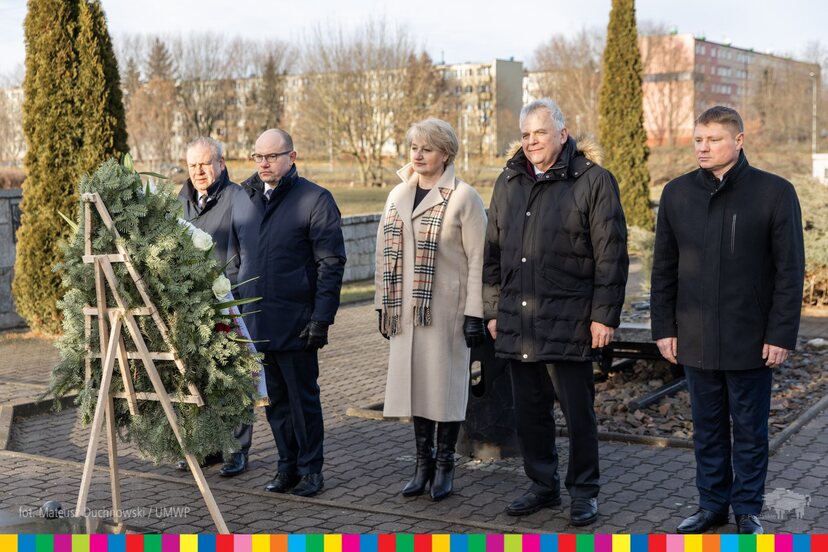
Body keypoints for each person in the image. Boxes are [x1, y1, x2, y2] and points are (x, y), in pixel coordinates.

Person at [651, 106, 805, 535]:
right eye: (698, 139)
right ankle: (711, 505)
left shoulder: (774, 193)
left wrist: (780, 333)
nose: (703, 146)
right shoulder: (677, 194)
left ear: (738, 141)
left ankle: (747, 509)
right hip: (695, 337)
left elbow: (790, 270)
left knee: (751, 431)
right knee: (707, 429)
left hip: (751, 338)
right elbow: (663, 267)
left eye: (713, 139)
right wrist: (664, 327)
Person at [482, 98, 628, 526]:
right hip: (517, 320)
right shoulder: (508, 181)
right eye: (525, 135)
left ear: (562, 134)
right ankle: (542, 486)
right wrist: (493, 309)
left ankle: (584, 492)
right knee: (529, 412)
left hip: (571, 322)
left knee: (578, 413)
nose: (531, 142)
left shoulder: (594, 181)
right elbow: (492, 253)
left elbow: (611, 256)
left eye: (539, 133)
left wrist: (604, 315)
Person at [374, 118, 487, 501]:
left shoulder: (463, 197)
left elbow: (478, 260)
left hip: (446, 313)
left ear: (446, 154)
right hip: (405, 313)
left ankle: (444, 466)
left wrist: (475, 313)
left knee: (445, 390)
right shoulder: (397, 195)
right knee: (416, 389)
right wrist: (380, 306)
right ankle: (421, 465)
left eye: (428, 148)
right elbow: (381, 255)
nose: (418, 155)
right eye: (414, 148)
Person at [241, 129, 346, 498]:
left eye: (272, 156)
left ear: (292, 156)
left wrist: (321, 318)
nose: (264, 163)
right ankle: (286, 467)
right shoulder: (246, 197)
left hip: (298, 322)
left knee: (303, 402)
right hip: (256, 323)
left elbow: (330, 263)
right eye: (258, 156)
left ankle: (310, 470)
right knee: (274, 403)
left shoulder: (315, 200)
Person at [177, 136, 259, 477]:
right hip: (194, 305)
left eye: (205, 164)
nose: (199, 171)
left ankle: (237, 450)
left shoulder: (238, 198)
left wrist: (240, 298)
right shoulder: (182, 200)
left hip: (231, 301)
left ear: (221, 164)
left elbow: (251, 252)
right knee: (200, 378)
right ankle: (207, 447)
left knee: (235, 378)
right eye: (193, 165)